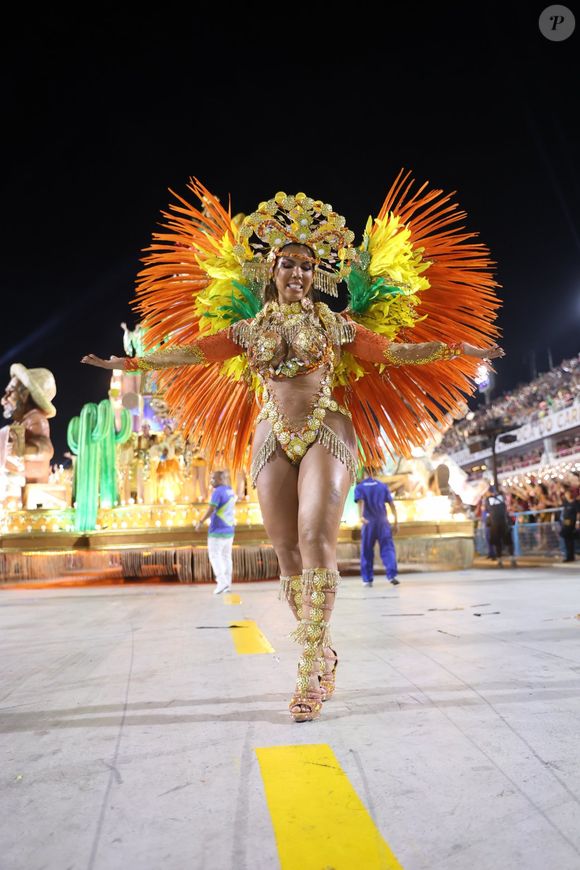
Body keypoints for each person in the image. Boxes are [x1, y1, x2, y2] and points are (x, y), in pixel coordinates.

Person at [82, 175, 503, 721]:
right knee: (286, 550)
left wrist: (457, 349)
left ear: (317, 275)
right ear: (271, 271)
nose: (299, 274)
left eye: (308, 266)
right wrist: (131, 364)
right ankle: (323, 651)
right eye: (289, 264)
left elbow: (396, 353)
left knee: (313, 535)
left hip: (327, 426)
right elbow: (189, 355)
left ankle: (306, 673)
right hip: (270, 432)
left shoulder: (333, 323)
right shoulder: (247, 329)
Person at [1, 364, 57, 486]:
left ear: (24, 394)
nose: (3, 399)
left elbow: (46, 449)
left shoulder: (36, 419)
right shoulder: (20, 422)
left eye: (10, 392)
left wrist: (22, 450)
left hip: (33, 485)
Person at [354, 471, 400, 586]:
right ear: (375, 472)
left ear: (364, 473)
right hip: (383, 522)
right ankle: (391, 575)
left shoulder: (360, 487)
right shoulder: (382, 486)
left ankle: (367, 579)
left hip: (368, 522)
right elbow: (391, 504)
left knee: (367, 550)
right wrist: (395, 522)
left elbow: (362, 501)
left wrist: (361, 517)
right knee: (387, 548)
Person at [195, 470, 236, 594]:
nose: (211, 481)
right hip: (229, 529)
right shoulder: (230, 490)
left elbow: (211, 509)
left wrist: (200, 521)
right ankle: (227, 584)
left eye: (213, 478)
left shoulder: (217, 492)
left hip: (217, 530)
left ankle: (221, 582)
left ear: (221, 479)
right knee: (226, 556)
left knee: (214, 556)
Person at [484, 484, 516, 568]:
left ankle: (500, 560)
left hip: (494, 523)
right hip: (504, 521)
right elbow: (505, 506)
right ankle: (512, 559)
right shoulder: (502, 497)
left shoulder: (487, 500)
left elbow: (487, 510)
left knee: (497, 543)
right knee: (509, 541)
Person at [560, 488, 578, 562]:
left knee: (569, 539)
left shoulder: (575, 503)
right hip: (566, 522)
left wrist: (577, 522)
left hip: (572, 522)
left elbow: (578, 513)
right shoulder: (566, 503)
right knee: (567, 539)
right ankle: (569, 556)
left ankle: (570, 556)